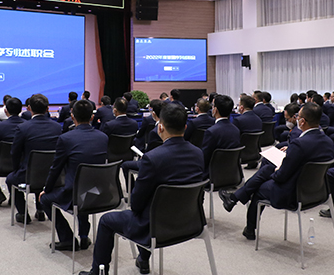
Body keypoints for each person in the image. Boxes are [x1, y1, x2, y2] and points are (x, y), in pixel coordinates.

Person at [78, 104, 205, 275]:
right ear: (186, 127)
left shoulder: (152, 158)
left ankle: (97, 272)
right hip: (190, 223)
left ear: (160, 127)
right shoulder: (198, 153)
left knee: (107, 220)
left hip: (156, 228)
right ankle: (143, 259)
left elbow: (137, 204)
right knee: (151, 209)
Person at [219, 103, 334, 240]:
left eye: (298, 117)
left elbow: (281, 177)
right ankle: (234, 198)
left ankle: (249, 226)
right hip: (317, 191)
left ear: (302, 121)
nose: (296, 119)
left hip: (293, 194)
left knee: (259, 187)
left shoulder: (299, 144)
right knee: (267, 169)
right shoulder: (328, 141)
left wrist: (277, 171)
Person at [39, 100, 108, 251]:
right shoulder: (103, 137)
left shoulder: (66, 138)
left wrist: (46, 189)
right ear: (92, 117)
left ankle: (67, 239)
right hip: (99, 193)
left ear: (72, 116)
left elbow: (55, 168)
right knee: (84, 187)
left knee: (45, 199)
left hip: (75, 195)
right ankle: (83, 236)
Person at [6, 94, 62, 223]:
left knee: (10, 180)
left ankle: (23, 214)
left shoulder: (23, 128)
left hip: (28, 175)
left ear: (29, 108)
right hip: (53, 175)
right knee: (40, 174)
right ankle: (40, 210)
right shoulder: (57, 127)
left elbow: (15, 153)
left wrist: (16, 170)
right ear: (47, 109)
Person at [201, 94, 240, 173]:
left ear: (215, 110)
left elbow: (204, 158)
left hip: (212, 173)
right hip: (232, 172)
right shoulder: (236, 130)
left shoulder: (211, 132)